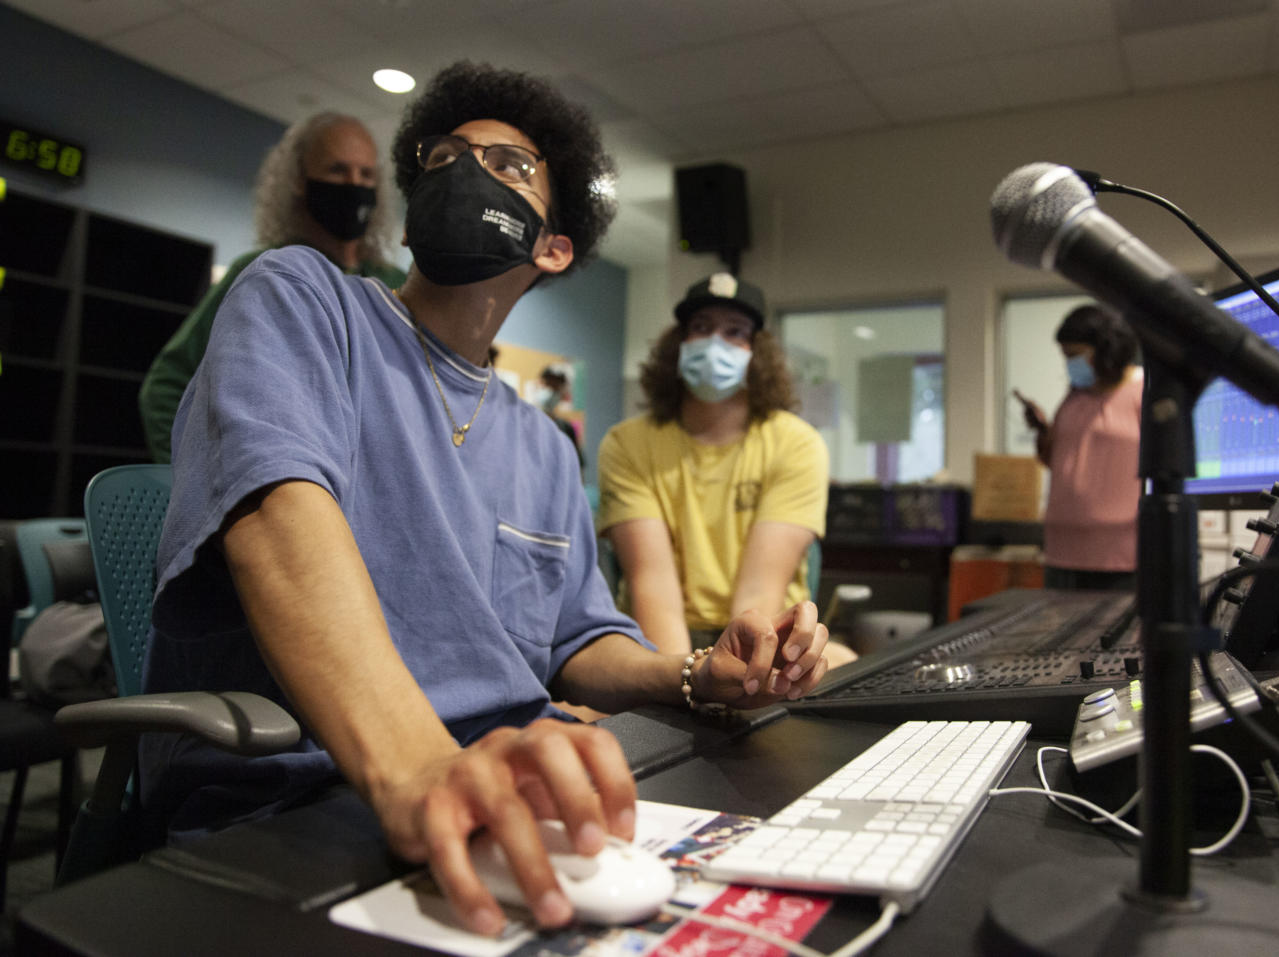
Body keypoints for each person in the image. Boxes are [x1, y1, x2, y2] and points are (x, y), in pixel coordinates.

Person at [141, 62, 832, 937]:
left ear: (552, 246)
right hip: (314, 799)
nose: (463, 173)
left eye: (508, 166)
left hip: (510, 782)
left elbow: (579, 636)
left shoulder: (544, 445)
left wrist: (697, 676)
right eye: (443, 156)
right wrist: (420, 767)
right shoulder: (299, 298)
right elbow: (275, 515)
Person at [597, 273, 855, 665]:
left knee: (844, 661)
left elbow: (760, 593)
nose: (716, 342)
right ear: (679, 343)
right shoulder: (627, 443)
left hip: (761, 632)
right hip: (656, 639)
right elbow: (652, 586)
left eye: (735, 331)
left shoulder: (797, 444)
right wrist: (685, 681)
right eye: (701, 327)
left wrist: (735, 670)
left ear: (757, 352)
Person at [138, 112, 404, 463]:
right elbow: (168, 384)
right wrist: (195, 477)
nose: (354, 184)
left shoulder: (395, 287)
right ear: (299, 179)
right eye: (337, 170)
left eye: (366, 174)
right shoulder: (265, 275)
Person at [1014, 303, 1143, 591]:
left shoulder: (1142, 392)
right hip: (1061, 551)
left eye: (1075, 356)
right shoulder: (1074, 396)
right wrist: (1042, 430)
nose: (1070, 365)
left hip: (1119, 557)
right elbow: (1062, 460)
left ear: (1107, 351)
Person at [537, 361, 584, 465]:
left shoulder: (566, 428)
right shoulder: (525, 423)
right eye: (548, 385)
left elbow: (577, 466)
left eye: (556, 387)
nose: (552, 391)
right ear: (540, 384)